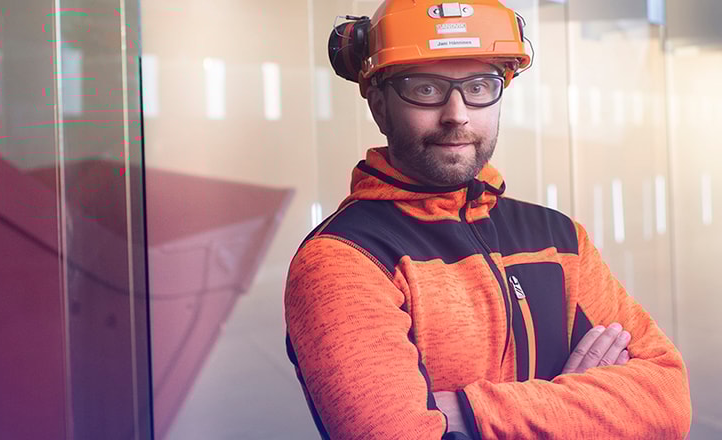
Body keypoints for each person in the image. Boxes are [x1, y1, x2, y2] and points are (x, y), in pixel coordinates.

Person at [284, 1, 692, 438]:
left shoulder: (560, 239)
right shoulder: (345, 260)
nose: (457, 113)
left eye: (479, 86)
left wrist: (466, 413)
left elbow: (669, 398)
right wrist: (582, 409)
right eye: (425, 88)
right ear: (379, 104)